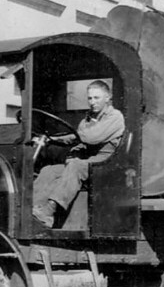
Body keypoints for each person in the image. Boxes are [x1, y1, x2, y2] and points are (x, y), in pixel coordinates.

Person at [32, 79, 125, 228]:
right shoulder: (87, 120)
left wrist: (72, 140)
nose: (92, 102)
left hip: (105, 165)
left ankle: (49, 211)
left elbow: (90, 137)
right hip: (87, 164)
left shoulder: (115, 117)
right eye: (90, 98)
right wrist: (51, 140)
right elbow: (77, 138)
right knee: (49, 170)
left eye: (97, 98)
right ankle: (33, 210)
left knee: (75, 165)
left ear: (108, 98)